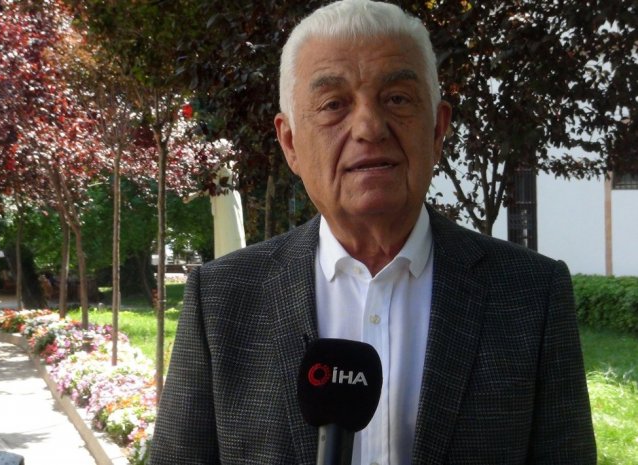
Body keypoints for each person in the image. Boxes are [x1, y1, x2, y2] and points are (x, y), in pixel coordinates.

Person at [149, 0, 596, 463]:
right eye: (333, 104)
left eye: (397, 99)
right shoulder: (220, 300)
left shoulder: (531, 294)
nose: (369, 127)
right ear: (290, 143)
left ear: (438, 130)